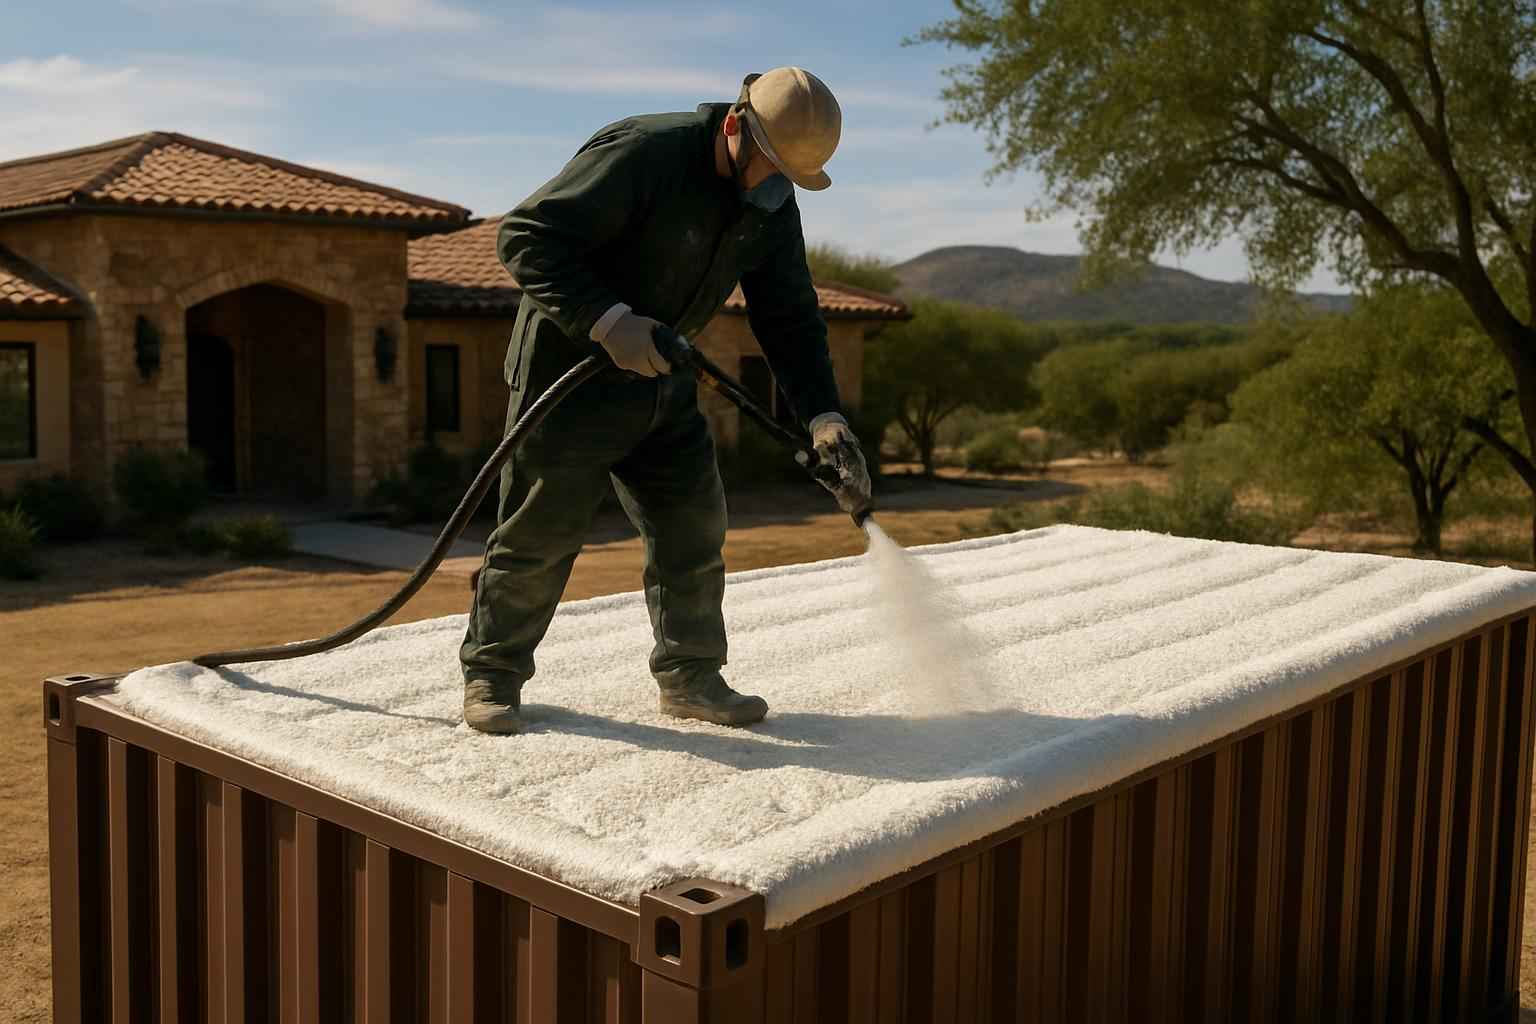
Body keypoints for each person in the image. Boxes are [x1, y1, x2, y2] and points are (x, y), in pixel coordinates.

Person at [459, 66, 871, 735]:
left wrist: (825, 419)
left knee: (693, 524)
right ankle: (493, 675)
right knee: (541, 532)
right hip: (571, 372)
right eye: (767, 166)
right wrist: (607, 320)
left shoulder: (770, 202)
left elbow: (790, 316)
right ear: (736, 126)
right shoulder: (643, 153)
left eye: (787, 179)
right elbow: (527, 237)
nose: (773, 185)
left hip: (664, 374)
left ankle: (691, 676)